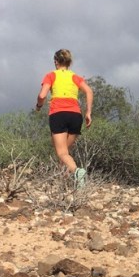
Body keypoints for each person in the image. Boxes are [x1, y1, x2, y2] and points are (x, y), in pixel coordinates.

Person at [35, 49, 93, 188]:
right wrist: (88, 112)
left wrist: (38, 106)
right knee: (65, 152)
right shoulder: (75, 77)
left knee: (61, 152)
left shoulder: (51, 75)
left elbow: (42, 96)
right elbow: (89, 91)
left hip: (58, 114)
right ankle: (65, 182)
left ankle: (77, 172)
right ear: (69, 62)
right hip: (75, 115)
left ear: (56, 61)